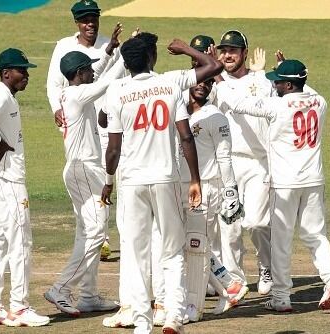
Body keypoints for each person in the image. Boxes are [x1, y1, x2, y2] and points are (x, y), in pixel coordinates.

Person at [99, 33, 225, 329]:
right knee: (171, 250)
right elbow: (213, 68)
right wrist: (183, 49)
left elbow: (113, 147)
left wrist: (108, 181)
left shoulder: (117, 90)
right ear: (152, 58)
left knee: (138, 253)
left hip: (132, 182)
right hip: (165, 178)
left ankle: (142, 325)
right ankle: (173, 316)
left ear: (127, 63)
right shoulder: (169, 82)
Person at [216, 59, 330, 312]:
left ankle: (281, 298)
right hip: (314, 180)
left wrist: (219, 80)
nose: (273, 84)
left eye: (278, 81)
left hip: (285, 183)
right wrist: (291, 73)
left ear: (288, 84)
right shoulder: (320, 102)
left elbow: (240, 104)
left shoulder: (277, 106)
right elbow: (308, 89)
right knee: (315, 234)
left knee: (282, 241)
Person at [0, 48, 50, 327]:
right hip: (7, 180)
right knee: (21, 241)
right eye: (22, 70)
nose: (26, 75)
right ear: (6, 73)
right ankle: (19, 307)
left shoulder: (3, 95)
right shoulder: (2, 95)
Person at [43, 51, 125, 316]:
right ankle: (61, 288)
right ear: (79, 74)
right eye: (87, 70)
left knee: (87, 232)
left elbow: (98, 74)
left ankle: (88, 296)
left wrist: (110, 52)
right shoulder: (78, 95)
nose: (92, 72)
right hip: (83, 169)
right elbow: (105, 82)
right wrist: (127, 55)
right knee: (97, 232)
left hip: (85, 170)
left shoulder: (72, 92)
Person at [181, 74, 249, 322]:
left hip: (207, 188)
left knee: (196, 245)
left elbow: (225, 156)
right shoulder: (178, 110)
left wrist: (230, 190)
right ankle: (230, 285)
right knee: (188, 244)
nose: (203, 85)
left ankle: (194, 306)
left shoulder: (216, 117)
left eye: (209, 82)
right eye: (200, 80)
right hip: (182, 186)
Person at [213, 29, 273, 295]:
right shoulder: (214, 83)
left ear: (244, 54)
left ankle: (266, 267)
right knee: (230, 228)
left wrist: (262, 73)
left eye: (233, 50)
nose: (227, 55)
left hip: (259, 162)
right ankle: (236, 282)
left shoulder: (260, 80)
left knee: (257, 223)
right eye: (223, 50)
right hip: (228, 163)